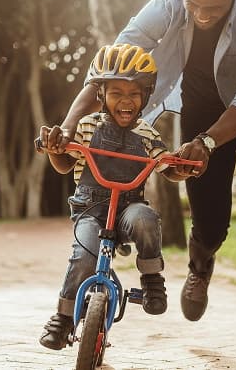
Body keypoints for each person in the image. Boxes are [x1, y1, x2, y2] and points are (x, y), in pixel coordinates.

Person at [42, 0, 236, 366]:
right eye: (193, 3)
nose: (200, 14)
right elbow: (112, 63)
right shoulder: (168, 2)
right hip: (200, 108)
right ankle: (201, 265)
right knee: (210, 221)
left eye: (212, 6)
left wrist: (210, 143)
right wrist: (69, 125)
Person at [37, 43, 187, 351]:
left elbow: (165, 164)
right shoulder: (86, 126)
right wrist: (55, 150)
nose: (126, 100)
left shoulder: (146, 133)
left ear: (146, 96)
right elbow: (65, 163)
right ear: (100, 95)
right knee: (83, 256)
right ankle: (63, 318)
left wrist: (181, 168)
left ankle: (151, 279)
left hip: (128, 209)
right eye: (116, 92)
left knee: (145, 220)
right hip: (90, 210)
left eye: (134, 93)